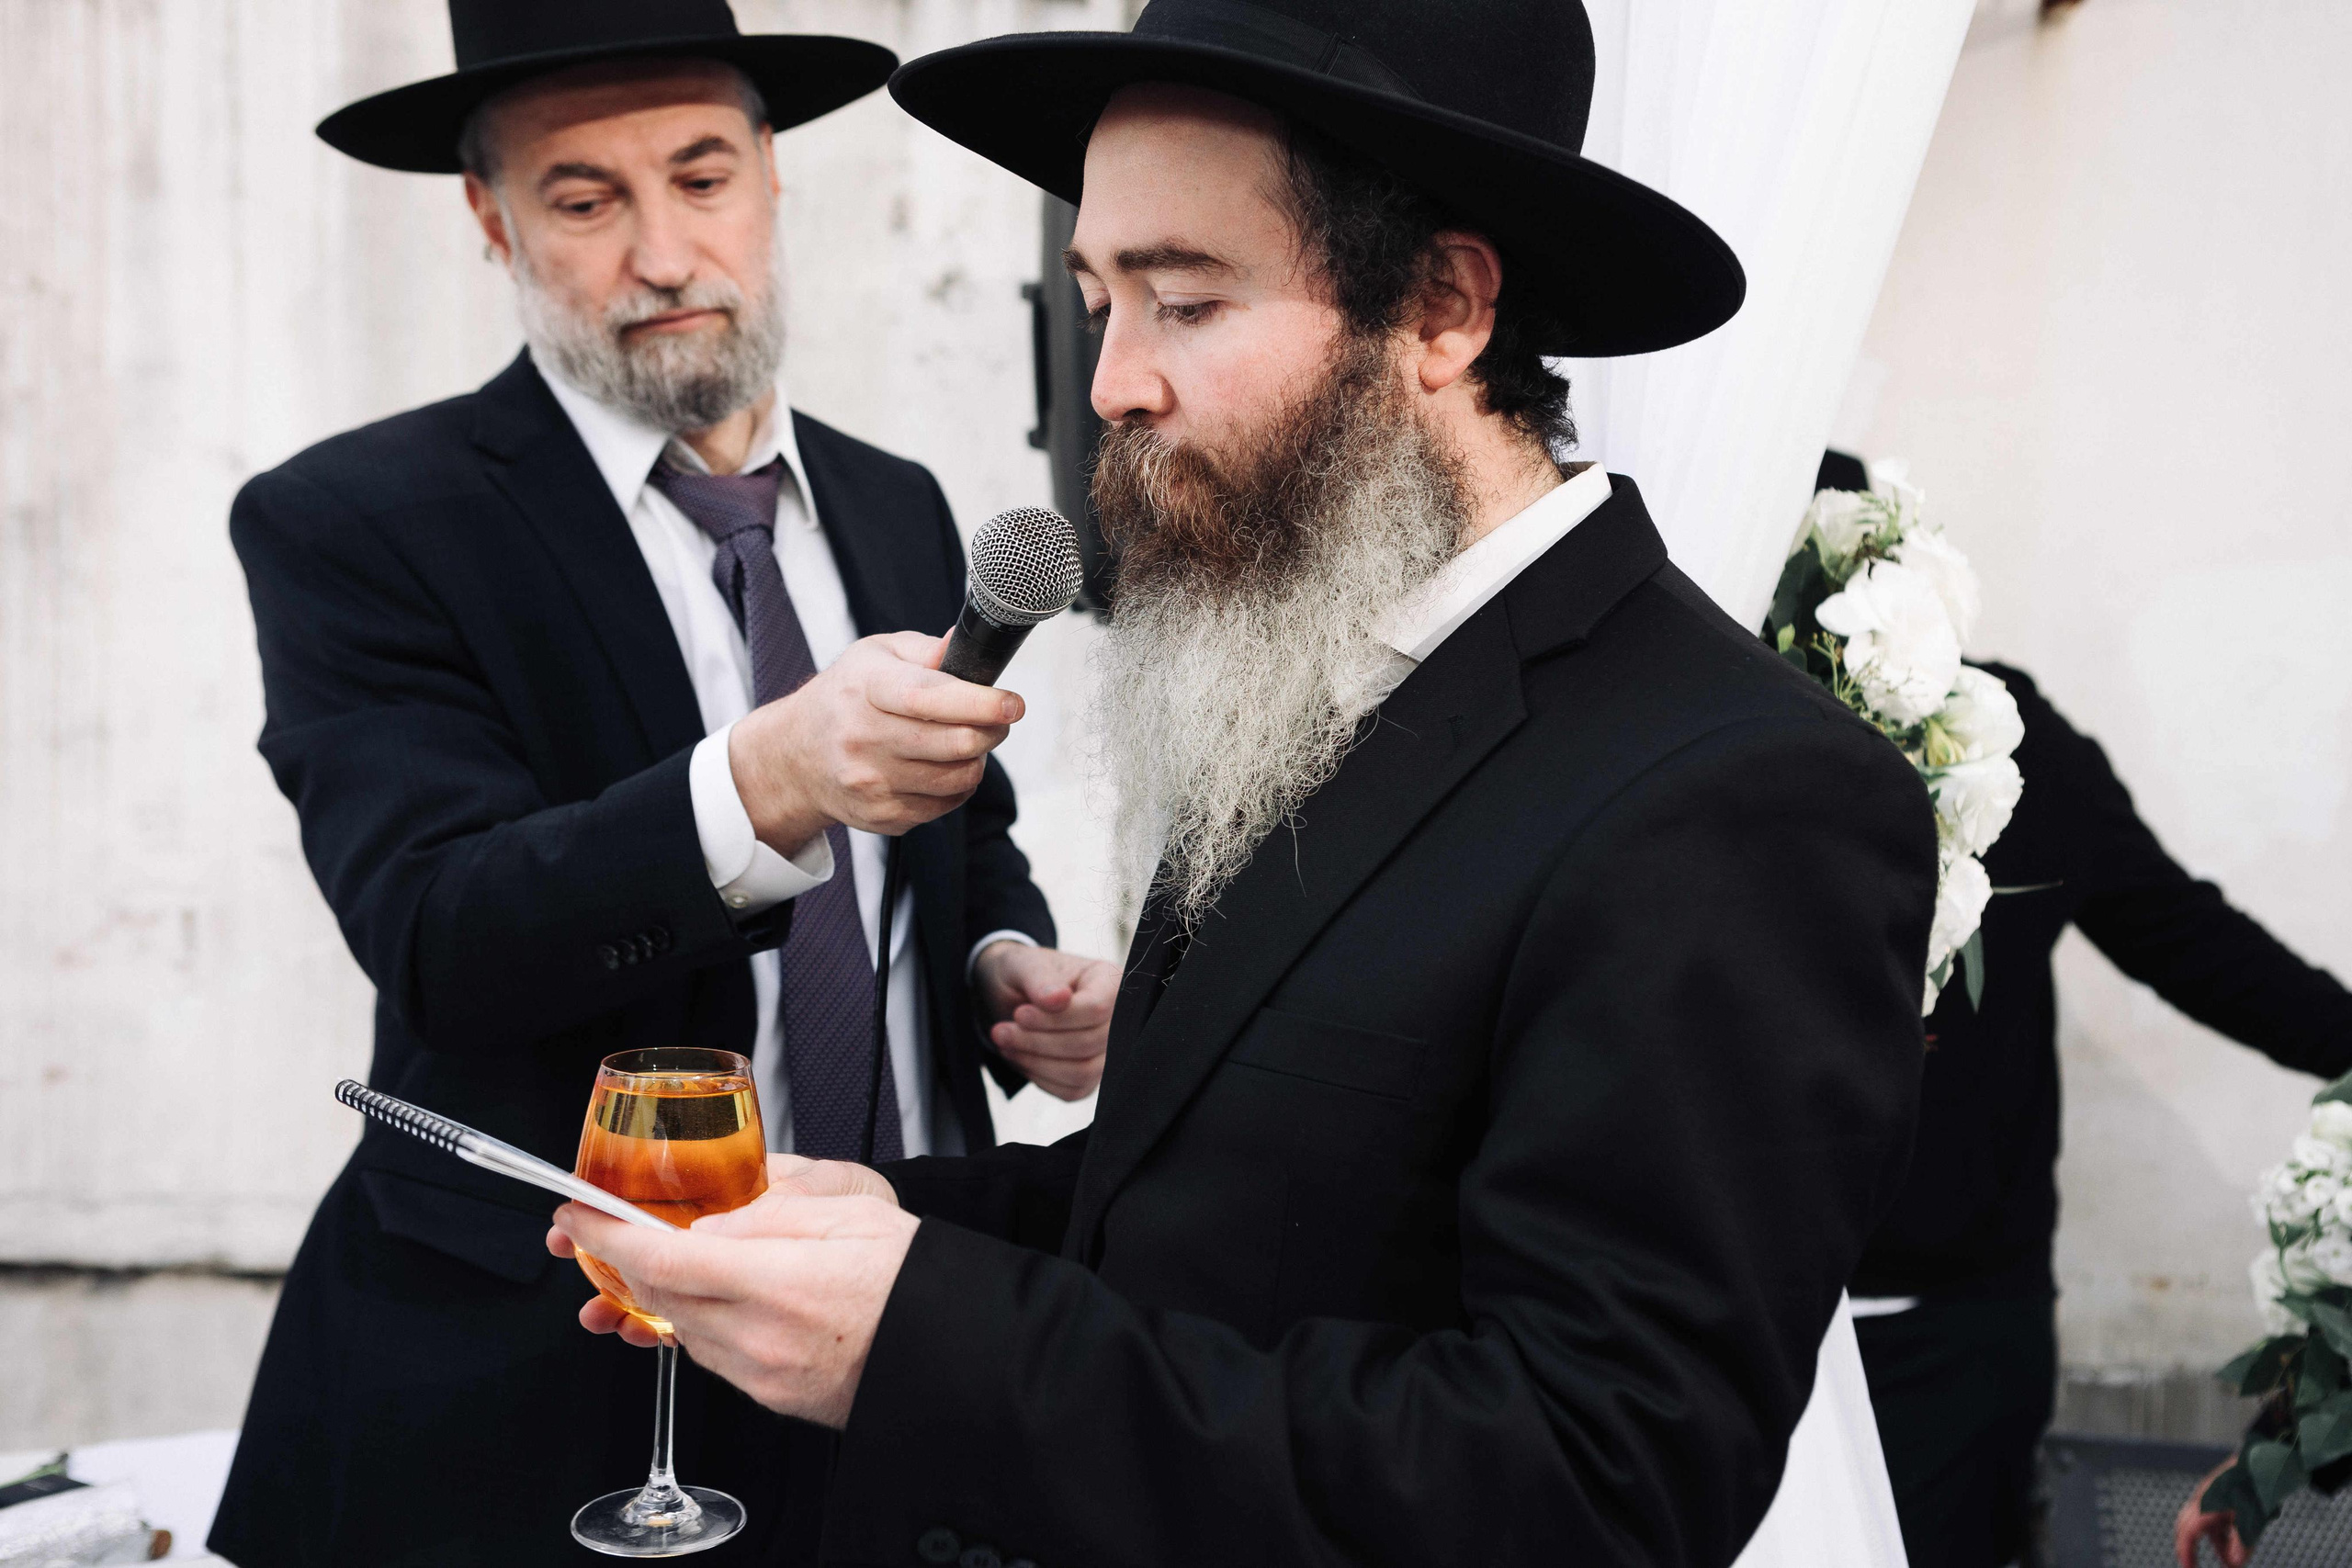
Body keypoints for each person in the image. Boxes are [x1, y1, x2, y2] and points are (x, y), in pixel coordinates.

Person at [549, 4, 1940, 1565]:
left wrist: (919, 1333)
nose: (1115, 384)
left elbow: (1589, 1480)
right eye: (1098, 302)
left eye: (1186, 303)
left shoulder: (1735, 795)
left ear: (1441, 310)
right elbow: (1222, 1202)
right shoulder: (1321, 673)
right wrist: (858, 1223)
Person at [210, 4, 1117, 1563]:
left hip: (905, 1325)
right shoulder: (354, 524)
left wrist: (1001, 967)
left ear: (773, 182)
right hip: (540, 1382)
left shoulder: (895, 501)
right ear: (491, 220)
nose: (660, 252)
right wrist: (765, 776)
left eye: (702, 180)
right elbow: (442, 930)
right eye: (584, 198)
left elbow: (967, 837)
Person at [1808, 450, 2352, 1568]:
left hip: (1947, 1323)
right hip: (1735, 1314)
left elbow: (2182, 938)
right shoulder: (1693, 754)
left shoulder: (2009, 751)